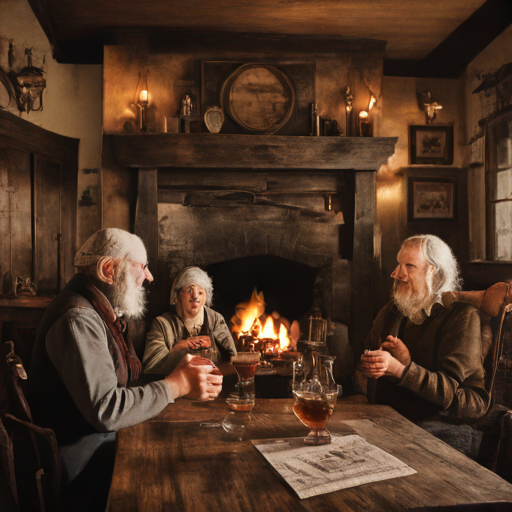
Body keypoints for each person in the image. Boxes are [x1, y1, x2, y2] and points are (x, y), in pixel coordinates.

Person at [28, 229, 223, 511]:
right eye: (141, 266)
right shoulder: (78, 318)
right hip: (83, 463)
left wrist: (177, 370)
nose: (149, 276)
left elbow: (120, 386)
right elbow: (106, 410)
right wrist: (176, 386)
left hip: (96, 444)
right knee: (182, 470)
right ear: (109, 269)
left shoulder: (97, 310)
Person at [358, 234, 489, 423]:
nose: (396, 273)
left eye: (409, 266)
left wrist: (400, 369)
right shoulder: (392, 311)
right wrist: (371, 365)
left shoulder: (462, 316)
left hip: (450, 420)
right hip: (403, 411)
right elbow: (363, 360)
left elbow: (449, 395)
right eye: (398, 264)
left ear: (432, 272)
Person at [143, 266, 237, 375]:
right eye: (189, 290)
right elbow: (151, 367)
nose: (195, 296)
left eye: (200, 292)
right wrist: (178, 349)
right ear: (177, 295)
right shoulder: (162, 324)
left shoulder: (215, 319)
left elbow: (233, 360)